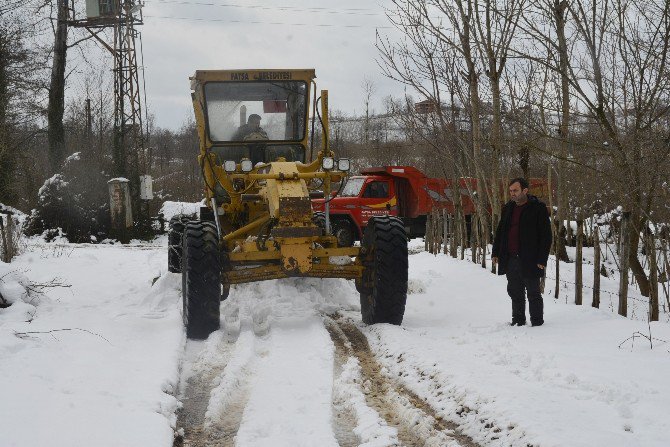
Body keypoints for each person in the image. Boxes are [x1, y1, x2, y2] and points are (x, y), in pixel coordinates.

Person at [492, 178, 552, 327]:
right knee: (514, 291)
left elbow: (546, 236)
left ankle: (537, 322)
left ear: (525, 190)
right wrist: (496, 252)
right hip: (511, 258)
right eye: (511, 191)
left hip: (530, 258)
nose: (512, 194)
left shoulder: (538, 208)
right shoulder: (508, 208)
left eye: (515, 191)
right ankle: (518, 320)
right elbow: (500, 232)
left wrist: (542, 259)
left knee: (533, 292)